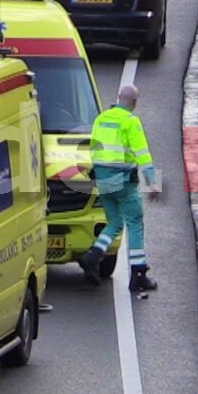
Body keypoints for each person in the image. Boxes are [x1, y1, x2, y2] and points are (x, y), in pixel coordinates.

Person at [78, 84, 162, 293]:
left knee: (115, 222)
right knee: (135, 222)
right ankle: (138, 274)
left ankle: (93, 256)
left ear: (118, 98)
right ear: (134, 101)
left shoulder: (101, 118)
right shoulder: (131, 121)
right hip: (123, 180)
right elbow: (142, 153)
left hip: (103, 179)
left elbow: (93, 149)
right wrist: (153, 182)